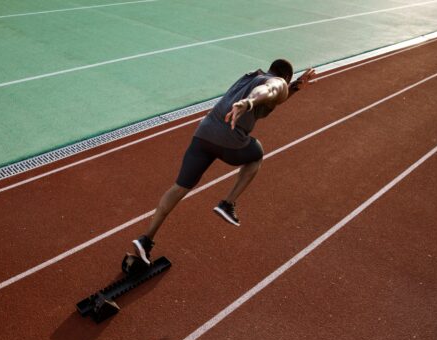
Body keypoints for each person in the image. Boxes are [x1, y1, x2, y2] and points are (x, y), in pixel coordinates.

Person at [132, 59, 316, 264]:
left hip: (203, 134)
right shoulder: (277, 83)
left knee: (179, 187)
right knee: (257, 154)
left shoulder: (251, 76)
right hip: (230, 139)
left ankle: (146, 239)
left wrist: (297, 86)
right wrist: (248, 103)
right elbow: (270, 91)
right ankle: (227, 203)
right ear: (285, 78)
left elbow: (273, 96)